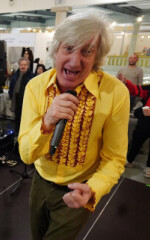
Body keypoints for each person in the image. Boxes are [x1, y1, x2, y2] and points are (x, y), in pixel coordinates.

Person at [18, 12, 129, 240]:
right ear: (56, 49)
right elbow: (26, 155)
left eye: (87, 51)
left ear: (97, 56)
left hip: (79, 189)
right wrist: (46, 122)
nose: (75, 61)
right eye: (69, 48)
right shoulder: (35, 87)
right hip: (39, 183)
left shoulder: (115, 93)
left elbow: (114, 159)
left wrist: (93, 189)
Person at [118, 75, 150, 177]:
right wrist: (126, 82)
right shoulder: (148, 87)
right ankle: (130, 160)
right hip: (145, 121)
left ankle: (149, 167)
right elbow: (137, 90)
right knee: (137, 139)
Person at [9, 57, 34, 134]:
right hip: (16, 99)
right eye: (21, 65)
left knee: (25, 117)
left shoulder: (32, 76)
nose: (23, 66)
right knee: (17, 116)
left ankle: (23, 132)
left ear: (28, 66)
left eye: (24, 65)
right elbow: (11, 86)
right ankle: (17, 130)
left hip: (26, 100)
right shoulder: (15, 75)